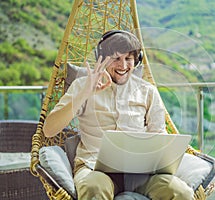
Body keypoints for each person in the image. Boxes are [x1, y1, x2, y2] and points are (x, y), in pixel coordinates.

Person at [43, 30, 194, 200]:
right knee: (94, 188)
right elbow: (49, 130)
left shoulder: (147, 91)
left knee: (181, 192)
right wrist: (85, 93)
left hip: (141, 173)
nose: (123, 66)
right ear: (101, 58)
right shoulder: (82, 86)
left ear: (136, 60)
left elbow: (158, 135)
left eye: (128, 59)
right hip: (95, 170)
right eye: (116, 58)